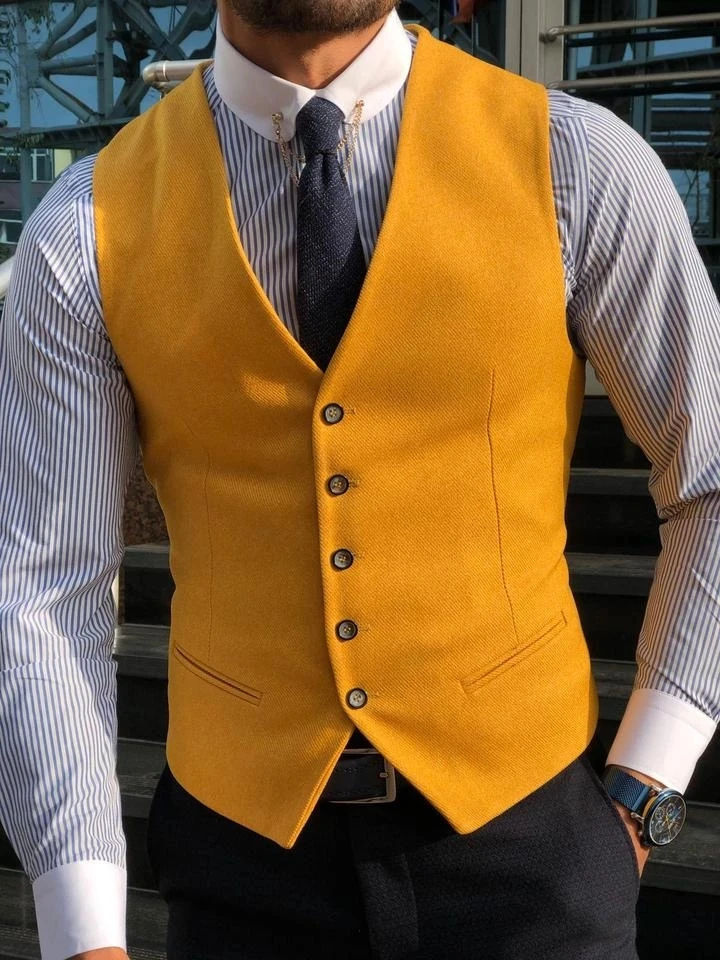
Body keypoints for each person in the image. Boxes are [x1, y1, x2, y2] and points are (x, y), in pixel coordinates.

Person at [1, 2, 719, 958]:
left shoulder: (577, 162)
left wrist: (643, 788)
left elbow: (709, 478)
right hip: (240, 867)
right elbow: (44, 587)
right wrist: (83, 934)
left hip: (533, 854)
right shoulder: (84, 226)